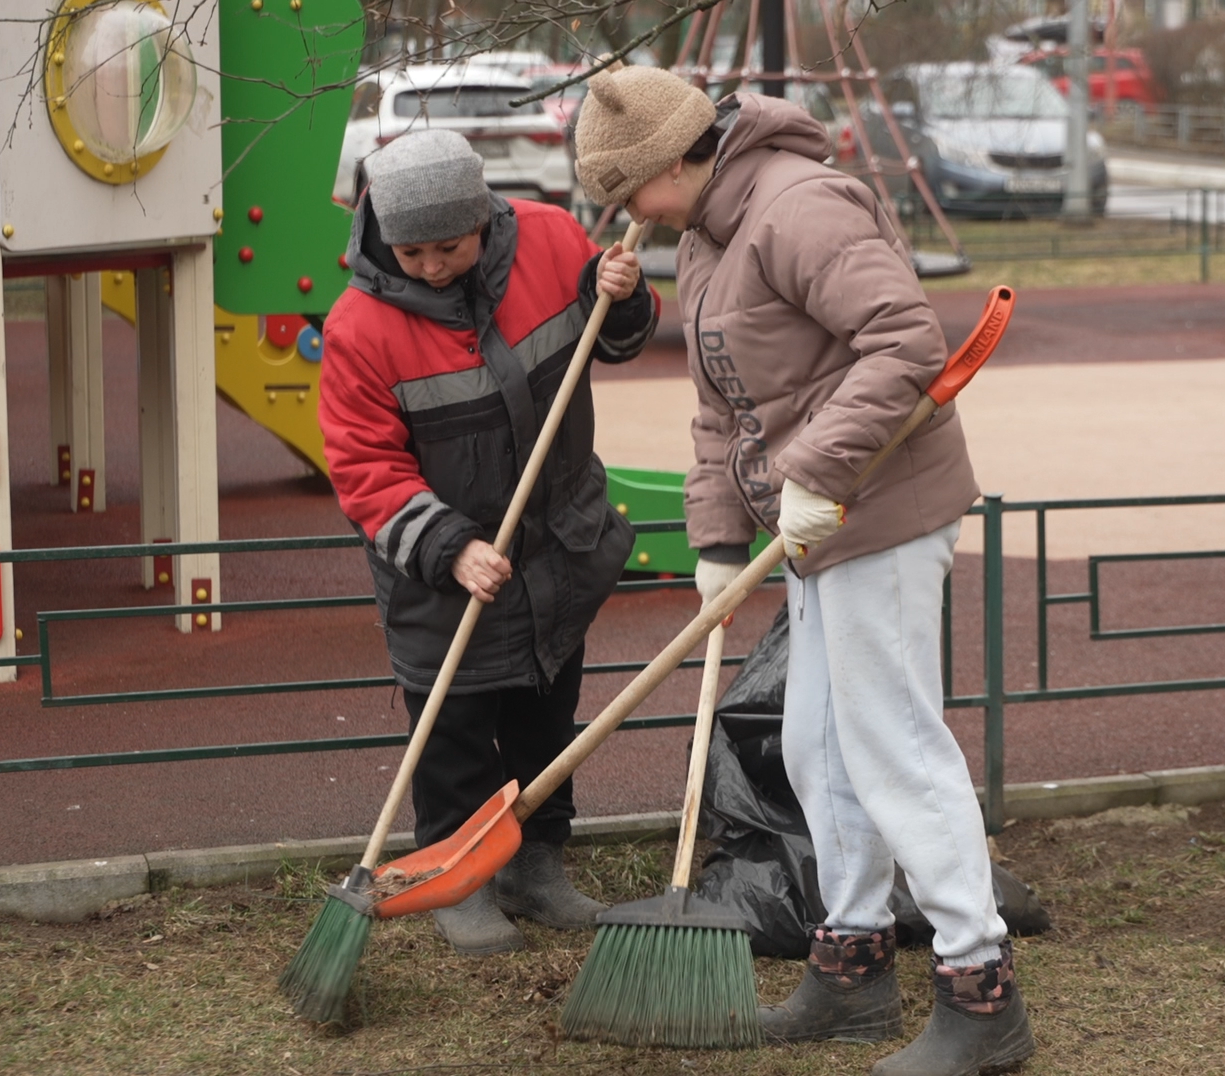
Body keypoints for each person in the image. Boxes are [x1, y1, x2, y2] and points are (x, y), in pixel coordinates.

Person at [572, 67, 1036, 1076]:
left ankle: (980, 988)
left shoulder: (798, 208)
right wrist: (714, 542)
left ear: (671, 161)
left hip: (882, 511)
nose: (627, 221)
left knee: (897, 747)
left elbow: (906, 342)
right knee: (818, 748)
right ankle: (851, 968)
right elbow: (717, 408)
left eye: (629, 193)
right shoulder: (703, 242)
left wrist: (816, 472)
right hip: (812, 522)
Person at [317, 129, 656, 956]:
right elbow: (364, 467)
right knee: (456, 734)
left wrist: (624, 293)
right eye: (412, 250)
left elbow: (611, 343)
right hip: (445, 577)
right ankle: (457, 876)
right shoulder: (359, 327)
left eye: (449, 246)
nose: (431, 265)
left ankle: (535, 865)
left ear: (484, 218)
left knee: (549, 712)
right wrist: (450, 546)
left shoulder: (549, 239)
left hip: (558, 543)